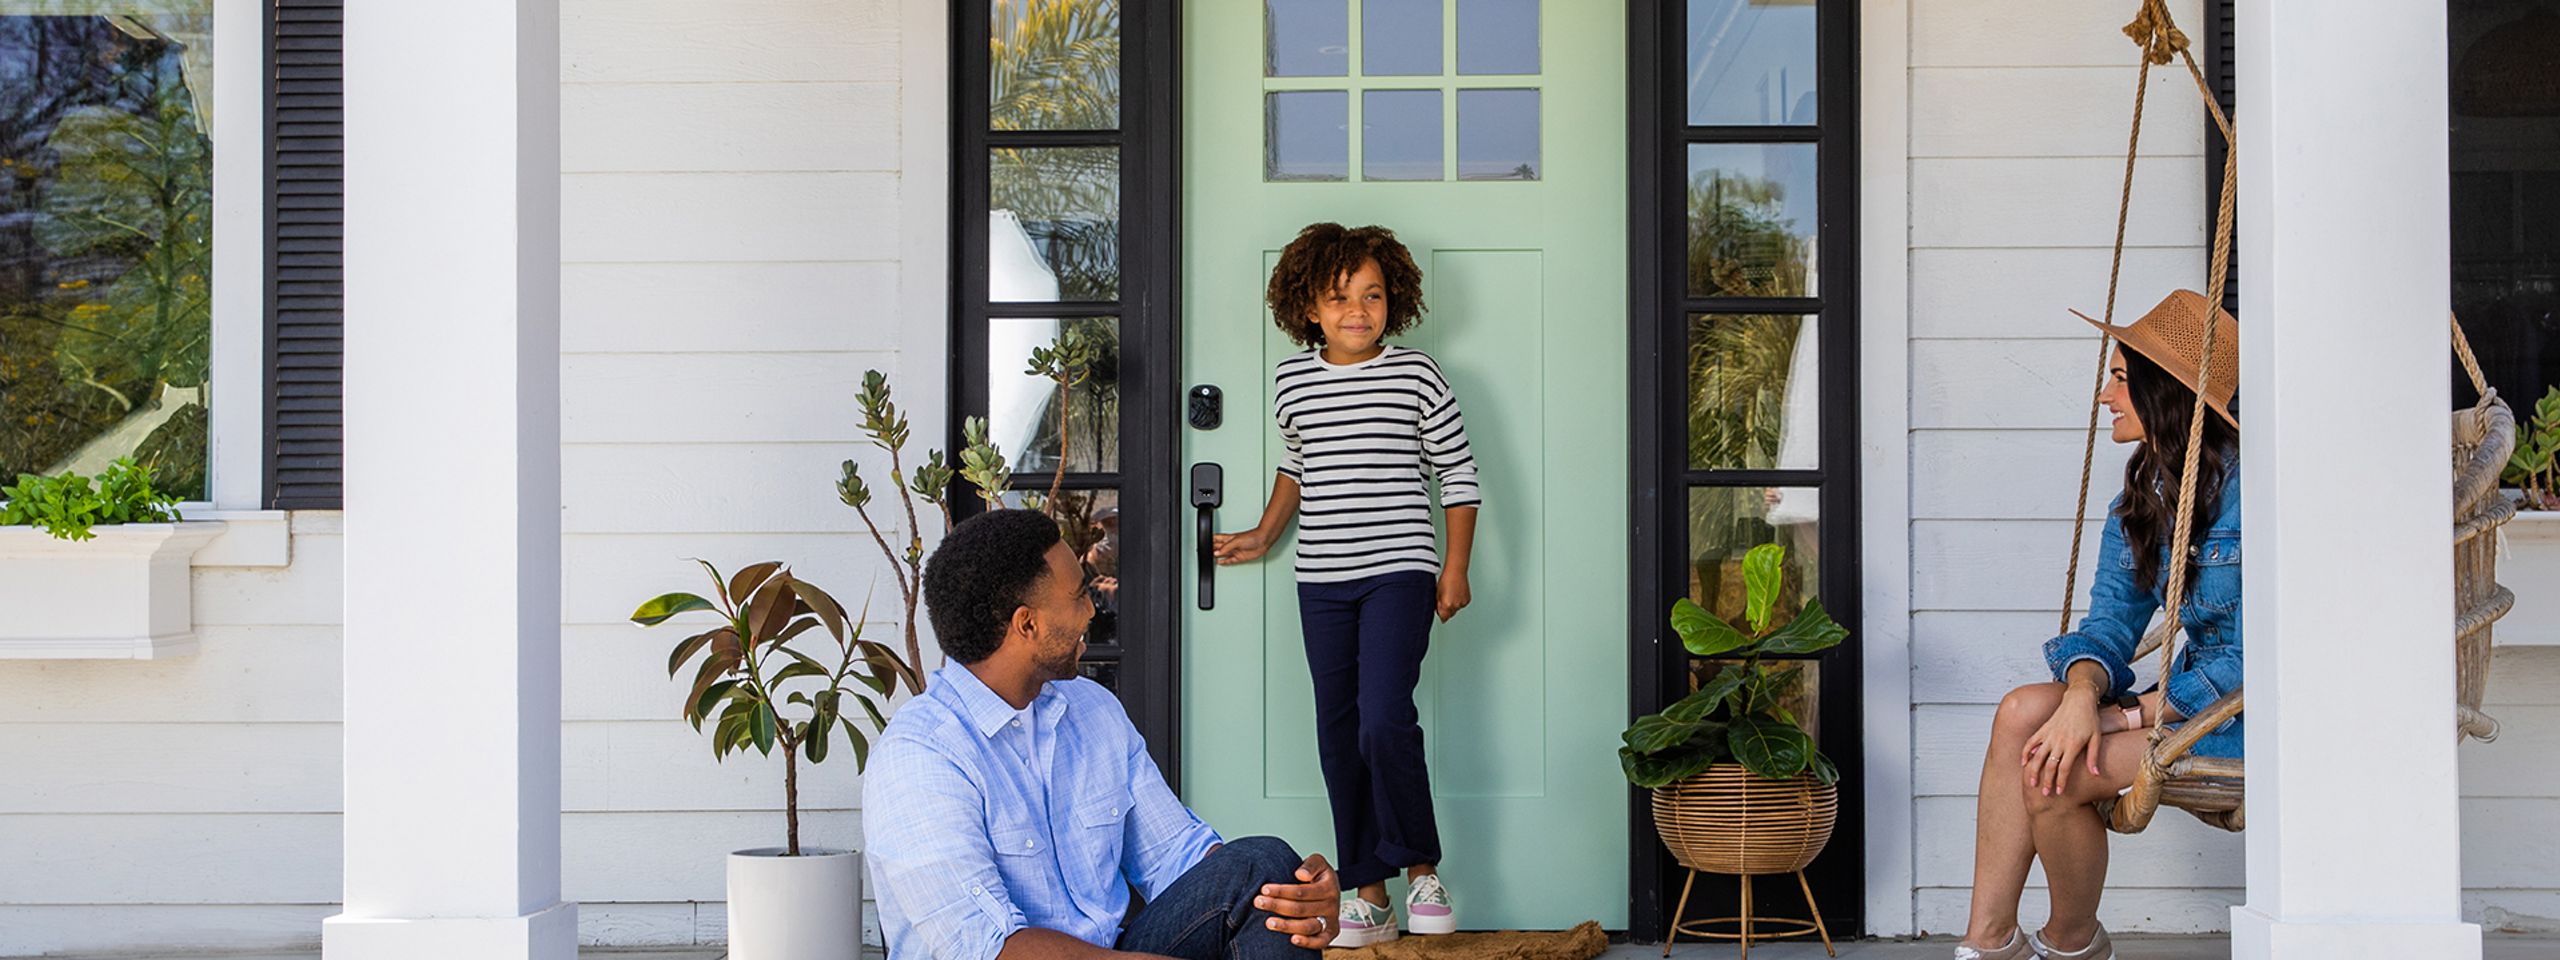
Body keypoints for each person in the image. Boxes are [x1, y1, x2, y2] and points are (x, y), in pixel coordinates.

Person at [865, 509, 1340, 960]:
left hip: (1106, 950)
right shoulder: (922, 754)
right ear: (1027, 623)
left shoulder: (1092, 711)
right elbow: (984, 949)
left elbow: (1174, 855)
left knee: (1265, 871)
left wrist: (1296, 895)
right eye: (1078, 596)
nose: (1092, 610)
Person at [1211, 223, 1479, 945]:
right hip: (1322, 580)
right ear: (1309, 307)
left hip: (1400, 571)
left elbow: (1457, 471)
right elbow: (1297, 465)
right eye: (1339, 297)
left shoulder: (1416, 374)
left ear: (1395, 300)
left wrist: (1455, 567)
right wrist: (1264, 533)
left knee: (1383, 717)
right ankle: (1370, 894)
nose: (1358, 310)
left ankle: (1421, 869)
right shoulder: (1291, 381)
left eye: (1372, 295)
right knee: (1338, 730)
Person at [1955, 290, 2243, 960]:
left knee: (2048, 771)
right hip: (2184, 705)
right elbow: (2111, 624)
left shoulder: (2258, 495)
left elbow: (2265, 657)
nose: (2104, 396)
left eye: (2118, 378)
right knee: (2022, 711)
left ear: (2163, 390)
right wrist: (2083, 696)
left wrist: (2125, 716)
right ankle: (1988, 942)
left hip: (2247, 717)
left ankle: (2072, 943)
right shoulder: (2140, 501)